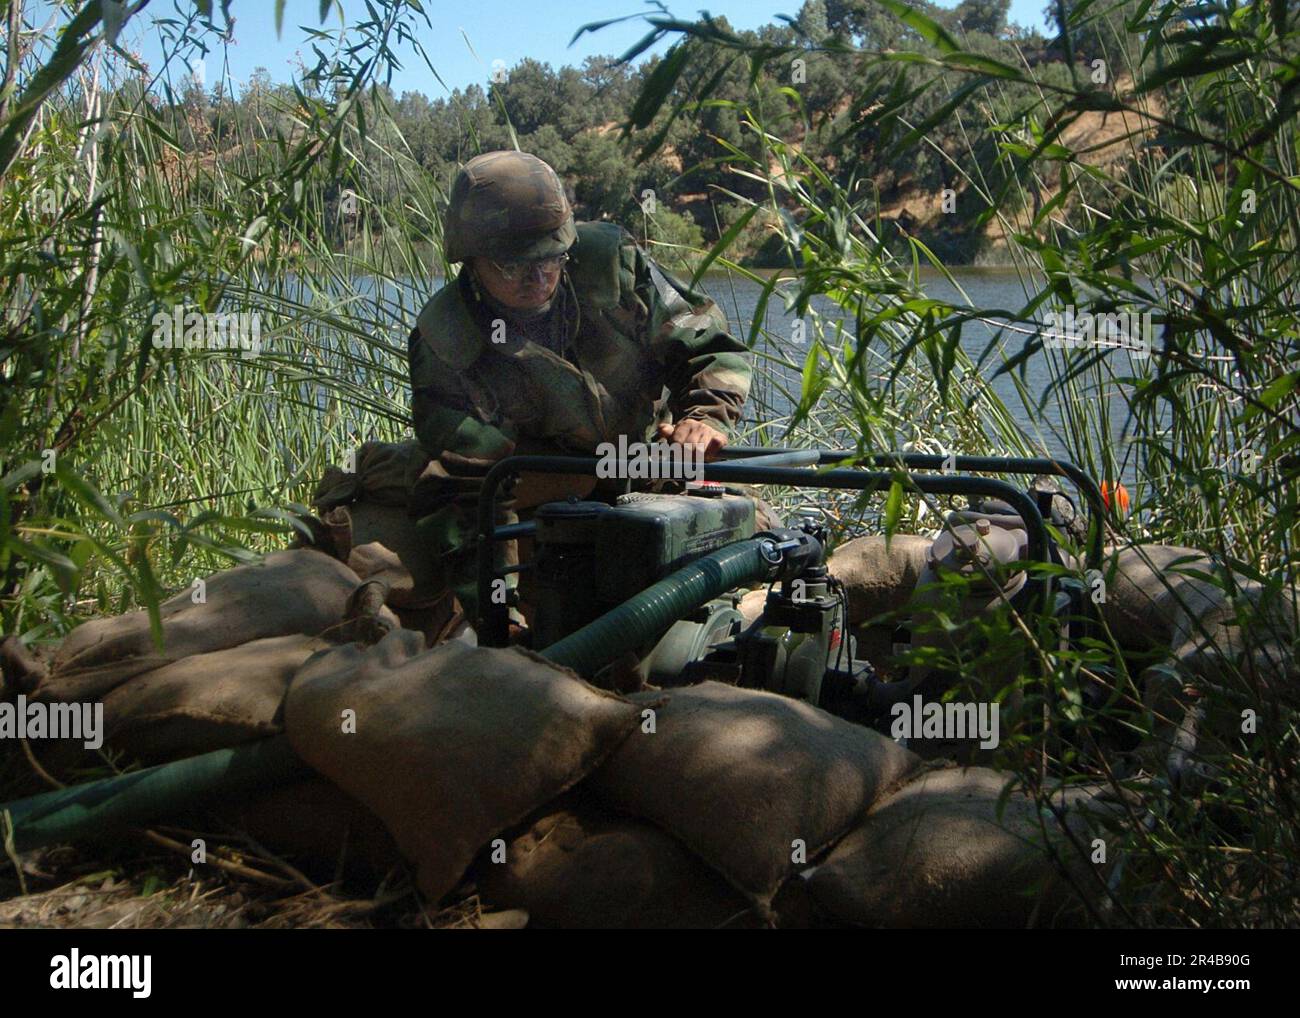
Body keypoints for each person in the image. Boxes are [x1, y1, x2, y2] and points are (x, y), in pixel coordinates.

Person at [407, 150, 753, 625]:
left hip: (645, 466)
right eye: (513, 265)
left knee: (757, 541)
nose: (538, 278)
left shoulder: (612, 264)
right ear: (471, 261)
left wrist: (704, 416)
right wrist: (496, 615)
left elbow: (711, 346)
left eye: (550, 258)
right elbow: (470, 495)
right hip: (542, 504)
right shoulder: (447, 339)